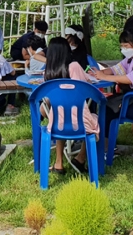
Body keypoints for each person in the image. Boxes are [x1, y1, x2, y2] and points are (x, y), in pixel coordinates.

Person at [41, 37, 98, 175]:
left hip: (56, 124)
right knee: (95, 119)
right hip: (80, 123)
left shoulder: (48, 73)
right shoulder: (74, 66)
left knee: (60, 113)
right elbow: (87, 84)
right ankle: (80, 158)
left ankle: (58, 163)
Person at [91, 30, 133, 133]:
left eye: (126, 46)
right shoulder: (131, 59)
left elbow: (130, 79)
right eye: (122, 46)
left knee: (108, 109)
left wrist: (104, 77)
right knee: (106, 104)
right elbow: (115, 69)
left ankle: (105, 145)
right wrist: (98, 73)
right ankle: (105, 143)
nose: (123, 49)